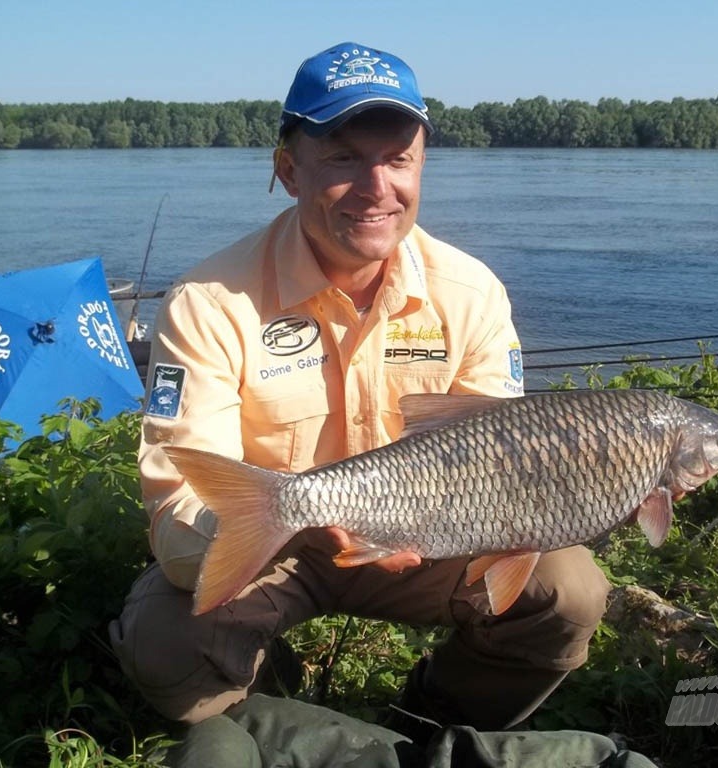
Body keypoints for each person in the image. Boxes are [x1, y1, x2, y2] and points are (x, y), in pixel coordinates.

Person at [109, 41, 612, 745]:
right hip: (276, 542)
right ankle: (281, 707)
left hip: (439, 535)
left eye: (397, 159)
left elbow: (506, 465)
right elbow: (179, 502)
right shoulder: (210, 302)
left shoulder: (470, 294)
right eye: (344, 158)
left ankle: (434, 717)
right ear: (288, 169)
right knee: (163, 641)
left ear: (421, 165)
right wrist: (284, 521)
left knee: (568, 592)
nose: (378, 187)